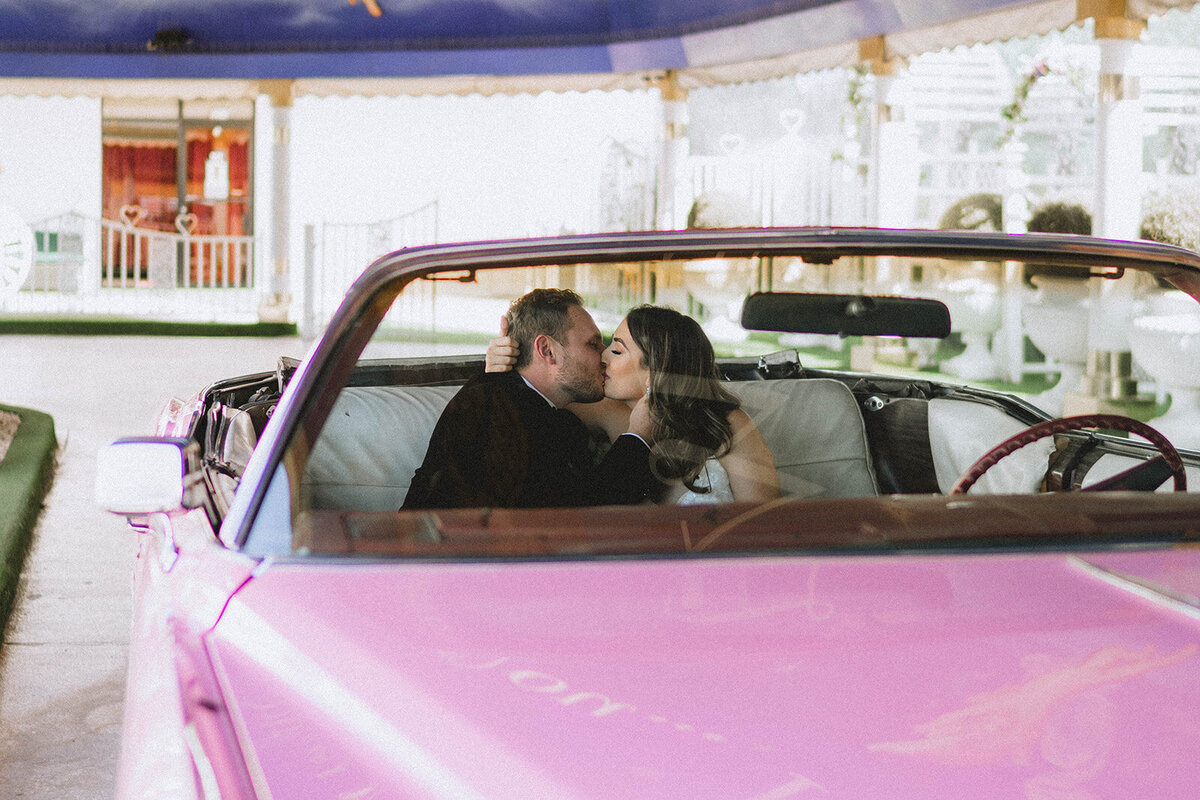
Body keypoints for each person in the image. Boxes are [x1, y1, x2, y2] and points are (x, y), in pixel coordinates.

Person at [487, 304, 780, 505]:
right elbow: (529, 399)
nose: (601, 357)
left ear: (658, 369)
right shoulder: (599, 408)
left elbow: (765, 530)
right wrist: (501, 366)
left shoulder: (727, 425)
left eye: (616, 350)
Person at [402, 288, 658, 509]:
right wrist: (638, 438)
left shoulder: (538, 408)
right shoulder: (493, 409)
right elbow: (584, 515)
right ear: (547, 350)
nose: (603, 357)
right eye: (593, 344)